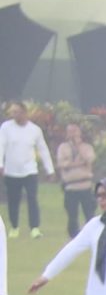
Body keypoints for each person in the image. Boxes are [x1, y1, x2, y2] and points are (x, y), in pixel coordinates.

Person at [2, 102, 53, 238]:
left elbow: (42, 149)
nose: (14, 115)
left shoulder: (34, 130)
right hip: (11, 171)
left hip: (30, 171)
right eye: (12, 112)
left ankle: (34, 228)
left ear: (24, 113)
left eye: (16, 112)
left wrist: (50, 169)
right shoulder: (6, 128)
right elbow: (1, 146)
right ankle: (14, 227)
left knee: (32, 199)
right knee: (13, 200)